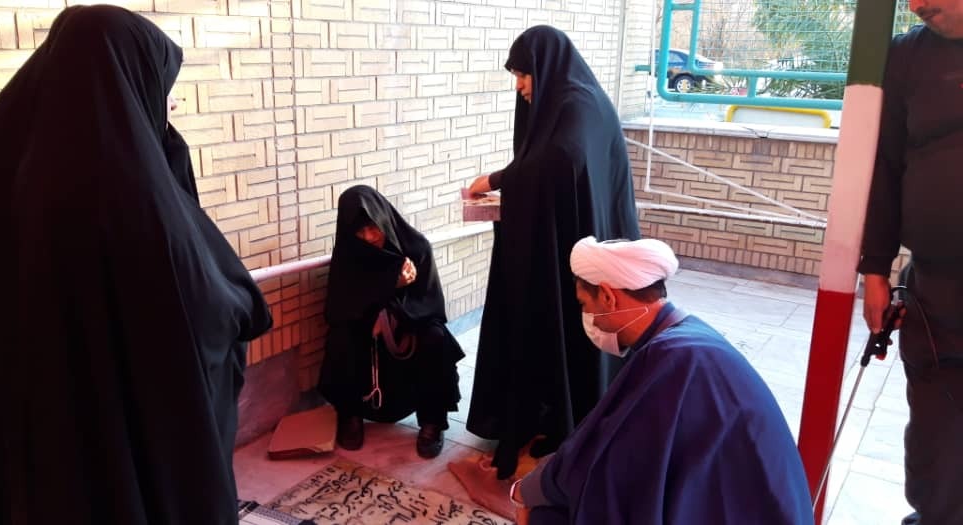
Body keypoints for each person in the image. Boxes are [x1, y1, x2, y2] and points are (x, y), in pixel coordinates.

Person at [0, 5, 272, 524]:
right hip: (142, 428)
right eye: (162, 84)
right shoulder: (133, 186)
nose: (169, 100)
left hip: (53, 426)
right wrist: (241, 301)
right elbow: (200, 306)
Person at [507, 237, 814, 525]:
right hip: (751, 501)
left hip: (748, 510)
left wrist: (526, 491)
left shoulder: (675, 357)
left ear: (608, 296)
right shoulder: (686, 336)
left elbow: (609, 462)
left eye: (585, 304)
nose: (587, 316)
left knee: (548, 513)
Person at [463, 24, 641, 480]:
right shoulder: (574, 100)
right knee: (558, 330)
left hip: (580, 250)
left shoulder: (578, 103)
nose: (520, 86)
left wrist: (499, 179)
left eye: (524, 75)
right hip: (573, 240)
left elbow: (561, 159)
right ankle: (553, 419)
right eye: (516, 76)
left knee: (568, 330)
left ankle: (567, 426)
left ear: (547, 68)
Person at [859, 2, 963, 523]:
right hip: (937, 292)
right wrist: (875, 270)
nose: (917, 4)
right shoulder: (907, 55)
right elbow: (884, 166)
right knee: (935, 438)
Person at [318, 185, 465, 459]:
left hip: (411, 325)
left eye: (373, 227)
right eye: (360, 231)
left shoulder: (416, 248)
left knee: (436, 337)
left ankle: (432, 422)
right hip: (363, 326)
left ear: (384, 218)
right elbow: (338, 309)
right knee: (341, 337)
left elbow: (430, 305)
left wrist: (393, 314)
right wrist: (389, 288)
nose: (369, 237)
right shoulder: (348, 255)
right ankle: (350, 415)